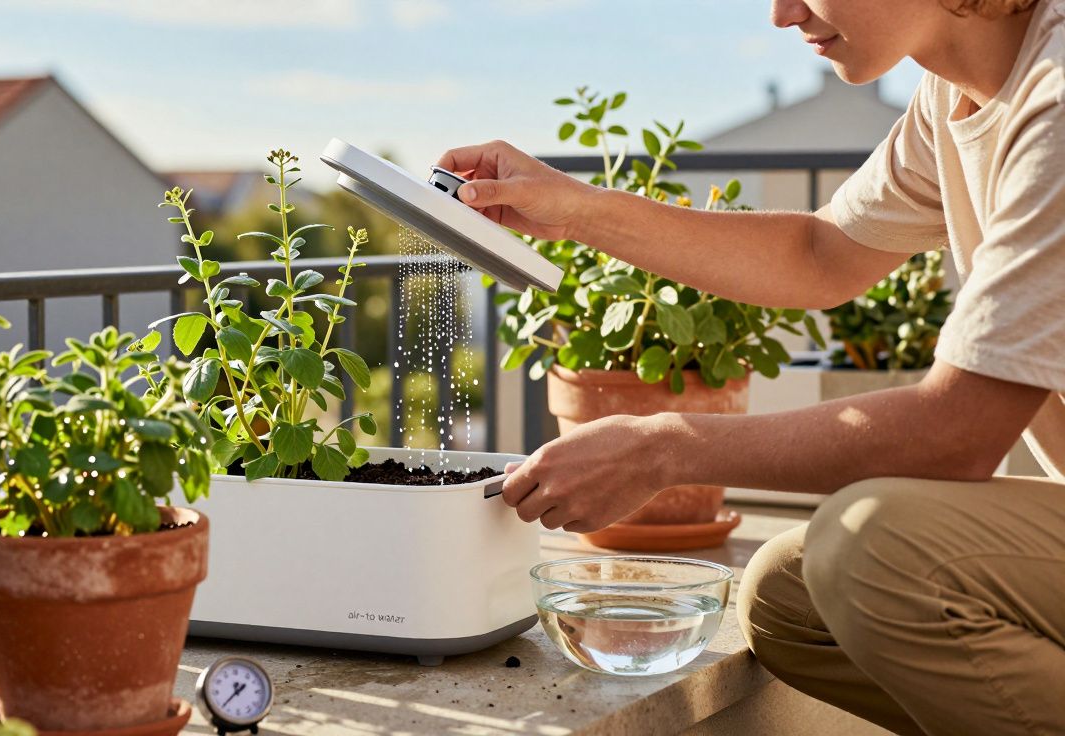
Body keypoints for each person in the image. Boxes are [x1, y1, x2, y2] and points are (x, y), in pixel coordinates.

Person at [437, 0, 1065, 733]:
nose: (782, 12)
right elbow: (822, 253)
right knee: (786, 597)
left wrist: (666, 448)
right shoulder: (955, 96)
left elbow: (956, 433)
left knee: (871, 551)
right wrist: (574, 212)